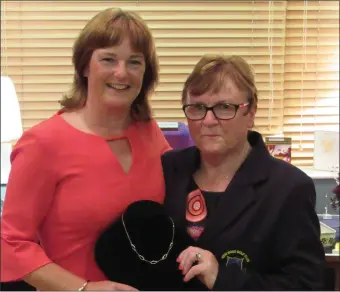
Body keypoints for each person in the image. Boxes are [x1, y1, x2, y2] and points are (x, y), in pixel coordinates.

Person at [1, 8, 171, 291]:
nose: (121, 72)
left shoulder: (150, 133)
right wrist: (84, 289)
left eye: (134, 62)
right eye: (108, 59)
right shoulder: (43, 143)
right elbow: (11, 243)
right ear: (84, 66)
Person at [161, 54, 326, 290]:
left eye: (224, 107)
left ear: (251, 112)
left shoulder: (287, 188)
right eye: (197, 107)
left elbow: (307, 286)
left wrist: (223, 278)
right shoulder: (169, 169)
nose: (208, 120)